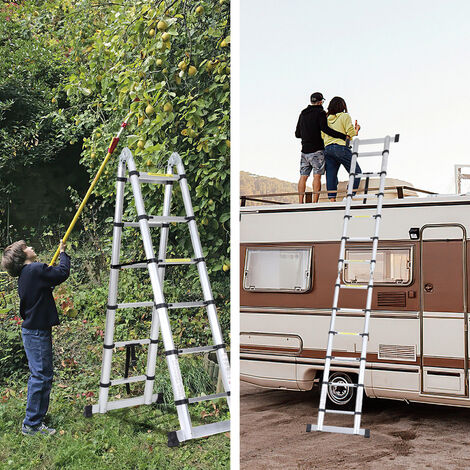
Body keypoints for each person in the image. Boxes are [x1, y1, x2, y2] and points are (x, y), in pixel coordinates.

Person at [1, 239, 70, 436]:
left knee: (41, 375)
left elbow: (46, 284)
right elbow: (62, 273)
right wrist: (63, 252)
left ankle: (36, 418)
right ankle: (31, 424)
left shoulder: (27, 274)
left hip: (34, 331)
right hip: (37, 332)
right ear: (22, 256)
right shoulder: (35, 270)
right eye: (27, 247)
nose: (31, 247)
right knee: (41, 376)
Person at [295, 92, 347, 203]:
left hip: (304, 151)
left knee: (303, 176)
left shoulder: (303, 113)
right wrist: (342, 136)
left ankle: (300, 202)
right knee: (317, 175)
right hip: (317, 150)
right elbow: (325, 129)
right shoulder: (320, 113)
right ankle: (314, 203)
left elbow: (297, 134)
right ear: (320, 101)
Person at [321, 96, 361, 202]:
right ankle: (350, 195)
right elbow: (350, 133)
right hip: (341, 148)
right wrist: (356, 130)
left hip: (328, 148)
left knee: (331, 175)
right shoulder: (345, 116)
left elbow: (323, 136)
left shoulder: (325, 119)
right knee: (356, 171)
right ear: (343, 106)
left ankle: (332, 199)